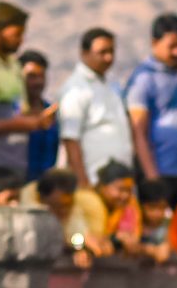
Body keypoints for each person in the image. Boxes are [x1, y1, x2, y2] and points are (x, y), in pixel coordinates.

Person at [124, 13, 177, 210]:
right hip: (161, 171)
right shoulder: (143, 79)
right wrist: (152, 176)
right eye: (171, 46)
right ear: (154, 42)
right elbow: (138, 130)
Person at [0, 3, 55, 165]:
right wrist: (19, 124)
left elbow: (20, 109)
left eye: (23, 35)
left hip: (17, 160)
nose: (20, 40)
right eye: (16, 34)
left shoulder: (14, 65)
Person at [55, 29, 133, 187]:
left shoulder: (110, 86)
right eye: (102, 52)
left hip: (117, 183)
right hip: (93, 182)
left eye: (111, 51)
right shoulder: (76, 89)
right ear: (84, 53)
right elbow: (71, 140)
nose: (109, 57)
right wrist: (84, 184)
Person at [15, 51, 62, 181]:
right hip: (16, 182)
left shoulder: (51, 112)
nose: (38, 82)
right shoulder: (12, 113)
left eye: (41, 76)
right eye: (31, 76)